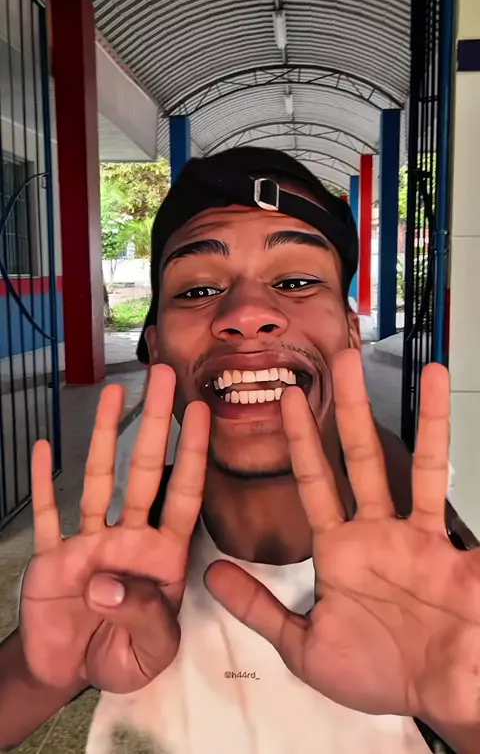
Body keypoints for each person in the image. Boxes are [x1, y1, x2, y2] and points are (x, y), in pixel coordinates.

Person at [0, 147, 478, 754]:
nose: (248, 314)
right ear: (156, 349)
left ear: (350, 335)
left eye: (297, 282)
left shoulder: (440, 567)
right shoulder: (123, 550)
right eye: (199, 289)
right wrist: (37, 675)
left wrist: (465, 715)